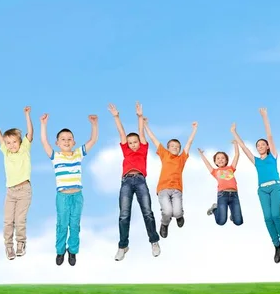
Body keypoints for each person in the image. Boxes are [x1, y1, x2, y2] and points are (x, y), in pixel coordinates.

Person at [232, 108, 280, 263]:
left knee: (276, 215)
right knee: (267, 218)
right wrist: (234, 132)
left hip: (275, 187)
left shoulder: (273, 156)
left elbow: (269, 136)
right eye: (258, 145)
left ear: (268, 147)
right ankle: (276, 245)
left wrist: (265, 117)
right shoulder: (256, 161)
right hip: (262, 190)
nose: (260, 146)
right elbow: (243, 147)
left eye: (263, 144)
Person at [40, 113, 99, 266]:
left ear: (74, 142)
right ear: (57, 142)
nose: (66, 141)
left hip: (77, 195)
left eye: (69, 139)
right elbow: (44, 141)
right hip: (62, 196)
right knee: (62, 225)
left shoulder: (78, 154)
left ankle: (72, 251)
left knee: (74, 225)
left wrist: (94, 124)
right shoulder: (55, 156)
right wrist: (44, 124)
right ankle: (60, 251)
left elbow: (93, 140)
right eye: (63, 139)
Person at [108, 102, 161, 261]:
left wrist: (139, 117)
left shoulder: (143, 148)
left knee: (147, 212)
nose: (132, 144)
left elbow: (140, 132)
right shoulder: (126, 149)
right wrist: (116, 117)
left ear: (140, 142)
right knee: (124, 215)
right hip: (126, 182)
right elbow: (121, 132)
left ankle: (154, 241)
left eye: (135, 142)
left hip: (140, 180)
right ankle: (123, 246)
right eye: (130, 143)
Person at [0, 107, 34, 260]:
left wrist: (27, 115)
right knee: (8, 221)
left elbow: (30, 132)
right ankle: (9, 247)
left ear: (20, 142)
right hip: (10, 192)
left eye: (14, 142)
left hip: (24, 190)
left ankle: (21, 243)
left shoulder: (24, 149)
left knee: (20, 220)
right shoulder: (6, 152)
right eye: (8, 143)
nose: (11, 145)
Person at [143, 118, 198, 238]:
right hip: (163, 189)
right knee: (167, 212)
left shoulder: (181, 158)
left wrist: (194, 129)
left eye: (178, 147)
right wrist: (145, 125)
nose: (175, 148)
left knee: (177, 212)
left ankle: (179, 216)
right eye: (172, 146)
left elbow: (189, 143)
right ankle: (164, 224)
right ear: (168, 148)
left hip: (177, 189)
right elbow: (153, 139)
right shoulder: (164, 154)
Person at [198, 136, 243, 227]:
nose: (220, 159)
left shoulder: (231, 168)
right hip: (222, 195)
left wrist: (235, 144)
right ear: (215, 162)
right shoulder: (215, 171)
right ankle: (215, 208)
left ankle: (234, 215)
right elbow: (207, 164)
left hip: (234, 195)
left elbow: (237, 155)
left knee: (239, 222)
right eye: (218, 158)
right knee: (221, 222)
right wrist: (201, 155)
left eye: (223, 158)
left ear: (226, 160)